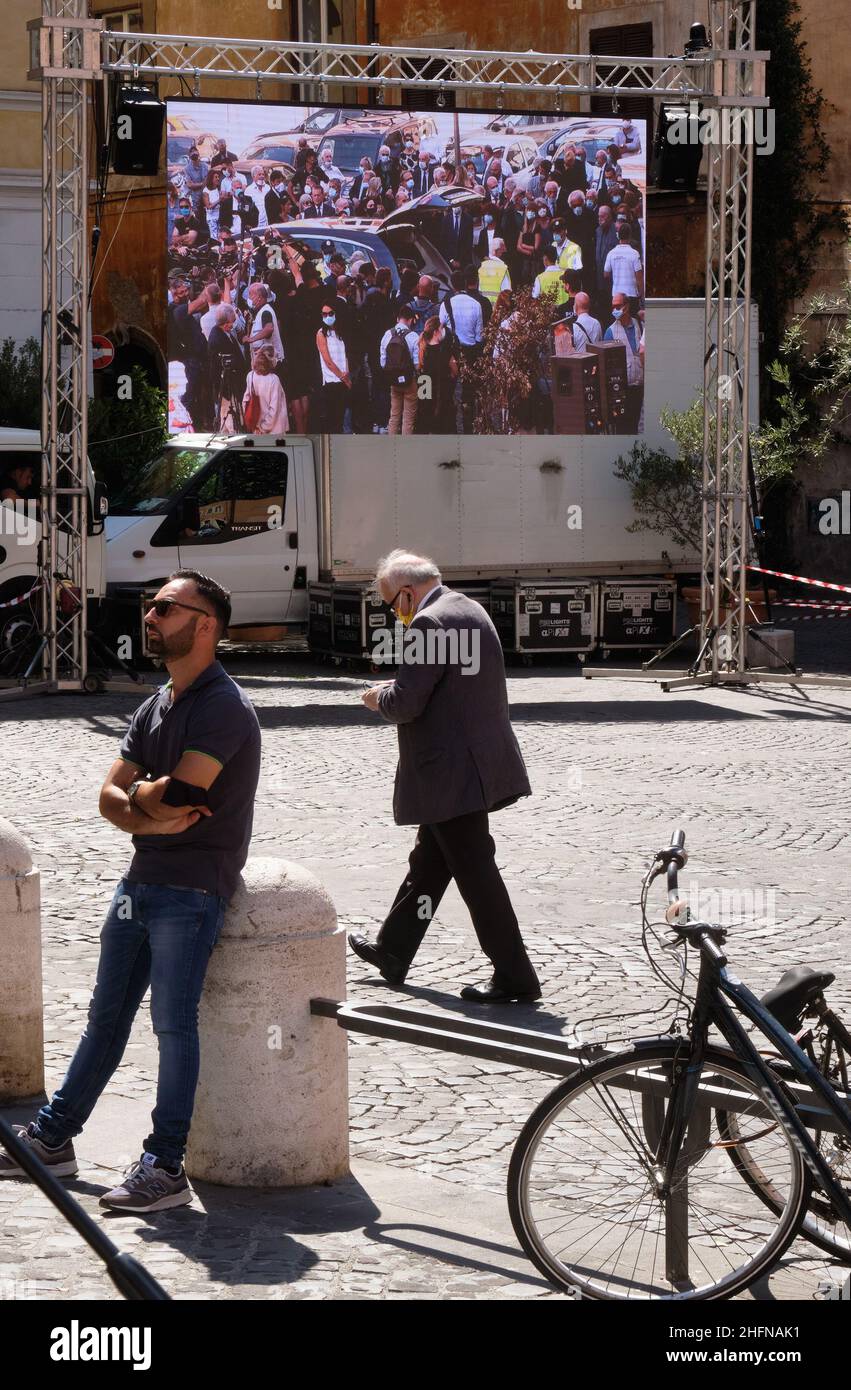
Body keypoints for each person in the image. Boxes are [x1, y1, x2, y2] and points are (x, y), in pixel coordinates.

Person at [0, 572, 261, 1210]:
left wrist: (146, 799)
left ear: (205, 624)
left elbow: (181, 794)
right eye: (150, 606)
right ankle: (54, 1140)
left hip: (194, 887)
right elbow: (109, 796)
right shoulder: (157, 702)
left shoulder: (223, 706)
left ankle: (165, 1167)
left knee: (173, 1026)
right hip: (139, 881)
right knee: (104, 1020)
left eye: (165, 607)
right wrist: (148, 806)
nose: (150, 615)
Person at [350, 551, 540, 1004]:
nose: (395, 614)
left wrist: (378, 698)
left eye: (393, 605)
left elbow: (407, 702)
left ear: (408, 593)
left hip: (449, 771)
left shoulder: (428, 624)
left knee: (476, 873)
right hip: (474, 765)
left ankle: (516, 975)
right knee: (431, 862)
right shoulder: (468, 608)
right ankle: (393, 949)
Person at [604, 292, 643, 430]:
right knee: (622, 425)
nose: (615, 310)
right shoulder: (610, 331)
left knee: (634, 423)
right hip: (621, 389)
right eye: (613, 307)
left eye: (618, 306)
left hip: (638, 386)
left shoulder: (639, 325)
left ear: (627, 306)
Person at [380, 304, 420, 435]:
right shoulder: (414, 336)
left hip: (393, 380)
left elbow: (382, 362)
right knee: (408, 419)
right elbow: (417, 364)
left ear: (398, 318)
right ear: (410, 320)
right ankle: (406, 448)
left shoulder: (387, 334)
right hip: (409, 381)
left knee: (394, 415)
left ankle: (392, 446)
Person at [208, 304, 247, 432]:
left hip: (233, 384)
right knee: (229, 420)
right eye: (232, 322)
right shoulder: (217, 338)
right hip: (226, 388)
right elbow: (219, 367)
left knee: (229, 420)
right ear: (225, 323)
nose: (233, 325)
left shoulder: (224, 332)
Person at [416, 316, 457, 433]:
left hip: (425, 394)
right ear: (435, 332)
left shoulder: (422, 349)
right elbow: (455, 370)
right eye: (441, 329)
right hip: (442, 395)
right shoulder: (444, 350)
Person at [316, 302, 350, 432]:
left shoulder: (339, 332)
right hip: (331, 381)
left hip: (343, 380)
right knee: (333, 419)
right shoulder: (321, 334)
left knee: (341, 417)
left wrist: (347, 374)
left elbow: (345, 355)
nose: (327, 316)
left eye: (330, 313)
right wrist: (343, 377)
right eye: (324, 314)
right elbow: (327, 360)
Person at [243, 345, 290, 434]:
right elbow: (274, 408)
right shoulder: (274, 379)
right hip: (275, 430)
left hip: (256, 428)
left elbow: (245, 402)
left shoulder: (250, 376)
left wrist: (255, 426)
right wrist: (263, 427)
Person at [604, 222, 644, 310]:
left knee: (618, 320)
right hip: (631, 294)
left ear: (618, 235)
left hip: (616, 295)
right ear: (630, 236)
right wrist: (642, 296)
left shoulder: (611, 253)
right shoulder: (634, 254)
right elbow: (639, 278)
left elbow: (606, 274)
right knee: (633, 320)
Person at [594, 205, 620, 305]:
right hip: (600, 276)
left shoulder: (616, 230)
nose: (600, 219)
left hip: (613, 277)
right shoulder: (598, 231)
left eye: (602, 216)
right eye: (599, 216)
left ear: (609, 217)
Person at [477, 239, 512, 306]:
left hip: (484, 308)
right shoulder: (503, 268)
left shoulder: (482, 266)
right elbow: (506, 293)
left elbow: (478, 289)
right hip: (497, 311)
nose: (504, 252)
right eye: (503, 250)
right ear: (498, 251)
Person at [515, 206, 542, 286]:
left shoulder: (537, 227)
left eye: (532, 210)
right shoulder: (523, 227)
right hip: (524, 260)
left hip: (534, 261)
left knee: (534, 281)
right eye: (528, 210)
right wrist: (528, 251)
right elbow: (518, 247)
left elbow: (536, 247)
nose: (529, 213)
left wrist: (523, 245)